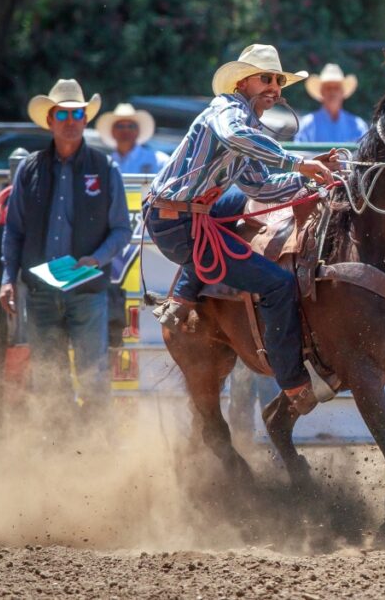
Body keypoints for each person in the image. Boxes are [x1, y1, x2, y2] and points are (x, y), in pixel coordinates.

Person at [145, 44, 339, 416]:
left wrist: (312, 182)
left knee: (248, 204)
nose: (274, 88)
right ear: (243, 81)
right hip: (176, 222)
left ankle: (184, 295)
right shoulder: (227, 111)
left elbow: (261, 188)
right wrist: (297, 163)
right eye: (266, 78)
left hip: (194, 212)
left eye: (279, 82)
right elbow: (234, 137)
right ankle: (293, 382)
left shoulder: (247, 126)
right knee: (278, 284)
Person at [0, 79, 132, 417]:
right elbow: (13, 230)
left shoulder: (105, 168)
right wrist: (7, 278)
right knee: (48, 380)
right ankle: (59, 455)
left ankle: (97, 454)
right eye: (63, 114)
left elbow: (121, 230)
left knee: (93, 378)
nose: (71, 120)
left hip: (86, 288)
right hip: (42, 289)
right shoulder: (30, 169)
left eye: (77, 113)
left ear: (85, 120)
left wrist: (96, 258)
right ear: (50, 121)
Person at [294, 63, 368, 144]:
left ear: (342, 92)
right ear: (322, 92)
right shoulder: (307, 125)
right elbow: (300, 154)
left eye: (336, 88)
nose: (332, 92)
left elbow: (365, 154)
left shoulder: (358, 126)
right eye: (328, 88)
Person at [96, 102, 167, 174]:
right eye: (120, 126)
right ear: (112, 131)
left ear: (138, 131)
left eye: (131, 126)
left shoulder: (159, 160)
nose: (126, 130)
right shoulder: (105, 163)